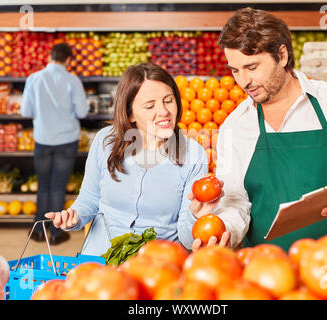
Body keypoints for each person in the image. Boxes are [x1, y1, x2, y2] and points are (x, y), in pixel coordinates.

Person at [189, 8, 327, 252]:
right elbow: (236, 201)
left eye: (252, 67)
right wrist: (223, 229)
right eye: (235, 70)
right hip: (266, 271)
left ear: (282, 55)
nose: (243, 81)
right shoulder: (236, 125)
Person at [44, 62, 208, 256]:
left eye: (168, 100)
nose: (163, 111)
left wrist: (196, 215)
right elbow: (90, 198)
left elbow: (188, 239)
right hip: (100, 260)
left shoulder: (193, 154)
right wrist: (74, 218)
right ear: (130, 114)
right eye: (150, 105)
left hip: (157, 267)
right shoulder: (105, 141)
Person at [21, 43, 89, 245]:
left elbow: (26, 112)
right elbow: (82, 113)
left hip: (42, 139)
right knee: (58, 186)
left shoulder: (34, 78)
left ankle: (38, 230)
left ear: (50, 57)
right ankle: (56, 232)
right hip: (66, 140)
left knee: (44, 186)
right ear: (68, 60)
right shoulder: (73, 80)